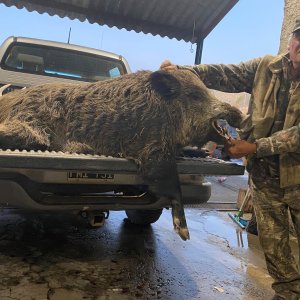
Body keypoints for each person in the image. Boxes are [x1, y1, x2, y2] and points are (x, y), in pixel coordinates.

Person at [160, 20, 300, 300]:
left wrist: (254, 147)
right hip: (264, 179)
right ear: (291, 40)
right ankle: (288, 293)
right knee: (274, 246)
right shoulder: (266, 68)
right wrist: (184, 71)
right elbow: (225, 73)